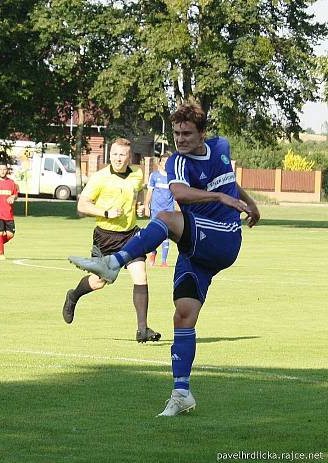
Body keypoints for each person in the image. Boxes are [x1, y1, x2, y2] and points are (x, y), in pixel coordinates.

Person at [68, 103, 260, 416]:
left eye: (187, 133)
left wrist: (246, 202)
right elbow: (181, 193)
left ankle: (113, 264)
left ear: (202, 134)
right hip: (197, 248)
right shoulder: (177, 163)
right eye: (176, 133)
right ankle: (181, 392)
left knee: (167, 218)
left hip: (223, 236)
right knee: (183, 315)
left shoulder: (220, 146)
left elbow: (228, 181)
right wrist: (225, 197)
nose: (180, 139)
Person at [62, 138, 161, 343]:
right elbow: (82, 205)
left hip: (131, 235)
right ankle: (73, 296)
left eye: (122, 154)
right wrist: (105, 212)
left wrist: (141, 207)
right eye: (115, 154)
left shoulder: (137, 174)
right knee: (99, 282)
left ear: (129, 156)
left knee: (140, 275)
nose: (118, 158)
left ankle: (142, 329)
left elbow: (136, 194)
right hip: (105, 237)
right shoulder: (100, 178)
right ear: (110, 155)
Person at [144, 153, 175, 267]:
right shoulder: (154, 176)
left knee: (166, 234)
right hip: (156, 210)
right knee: (155, 234)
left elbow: (177, 195)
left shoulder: (173, 177)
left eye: (168, 162)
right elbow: (150, 192)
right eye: (164, 161)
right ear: (160, 163)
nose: (166, 164)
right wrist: (146, 206)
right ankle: (153, 253)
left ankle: (163, 261)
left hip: (169, 210)